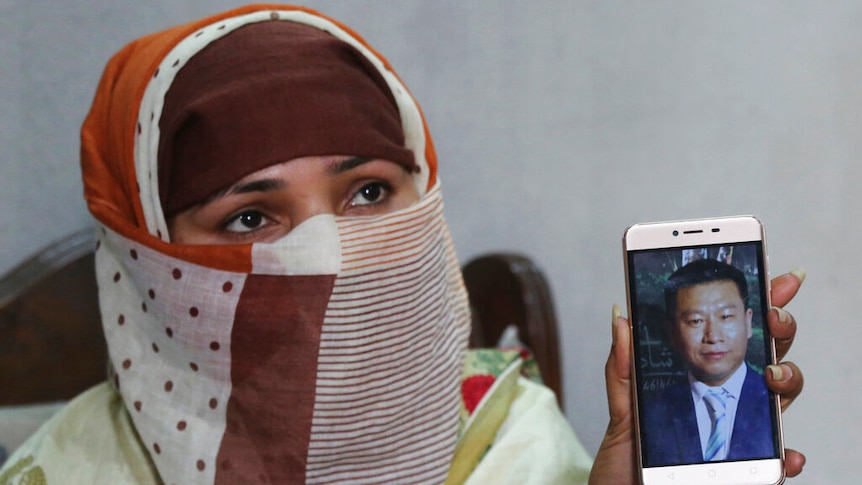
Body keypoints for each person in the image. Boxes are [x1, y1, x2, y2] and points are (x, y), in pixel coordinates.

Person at [0, 4, 806, 484]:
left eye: (370, 192)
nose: (329, 254)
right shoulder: (65, 469)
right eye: (251, 216)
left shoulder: (511, 432)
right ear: (148, 261)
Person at [641, 258, 774, 466]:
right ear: (673, 332)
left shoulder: (775, 399)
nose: (712, 336)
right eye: (696, 321)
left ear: (748, 322)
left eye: (726, 317)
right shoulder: (651, 414)